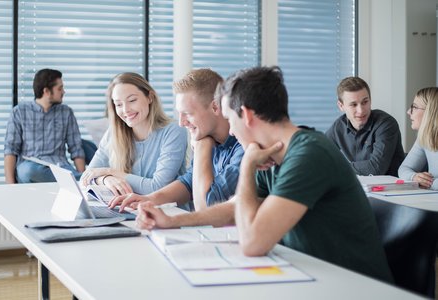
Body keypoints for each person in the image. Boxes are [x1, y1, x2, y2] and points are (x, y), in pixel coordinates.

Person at [132, 66, 393, 283]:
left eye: (231, 120)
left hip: (351, 286)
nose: (231, 132)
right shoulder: (270, 154)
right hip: (308, 275)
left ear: (245, 115)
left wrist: (246, 167)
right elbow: (235, 206)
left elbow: (252, 244)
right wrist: (173, 221)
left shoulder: (308, 154)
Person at [109, 68, 244, 211]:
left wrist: (201, 147)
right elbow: (188, 183)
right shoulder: (210, 138)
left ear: (215, 107)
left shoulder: (243, 146)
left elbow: (207, 207)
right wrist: (149, 200)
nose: (181, 122)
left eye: (187, 113)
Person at [80, 72, 188, 196]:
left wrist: (110, 172)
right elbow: (87, 176)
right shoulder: (113, 133)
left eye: (132, 100)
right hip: (128, 210)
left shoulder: (174, 131)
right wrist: (105, 179)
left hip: (167, 211)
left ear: (150, 97)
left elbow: (157, 187)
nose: (126, 110)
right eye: (119, 104)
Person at [4, 68, 85, 183]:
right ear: (46, 91)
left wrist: (83, 180)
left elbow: (76, 148)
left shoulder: (66, 112)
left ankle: (81, 180)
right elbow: (11, 150)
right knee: (29, 171)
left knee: (69, 174)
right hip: (30, 166)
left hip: (59, 166)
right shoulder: (20, 112)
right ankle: (76, 179)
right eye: (60, 88)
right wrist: (10, 185)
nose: (63, 92)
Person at [325, 76, 404, 176]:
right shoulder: (339, 126)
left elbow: (375, 168)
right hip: (363, 186)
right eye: (353, 105)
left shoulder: (386, 123)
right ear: (341, 106)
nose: (361, 110)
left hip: (392, 188)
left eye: (365, 102)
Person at [399, 87, 438, 190]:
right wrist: (414, 177)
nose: (408, 111)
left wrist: (429, 183)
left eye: (414, 107)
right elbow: (403, 169)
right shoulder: (424, 137)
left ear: (430, 112)